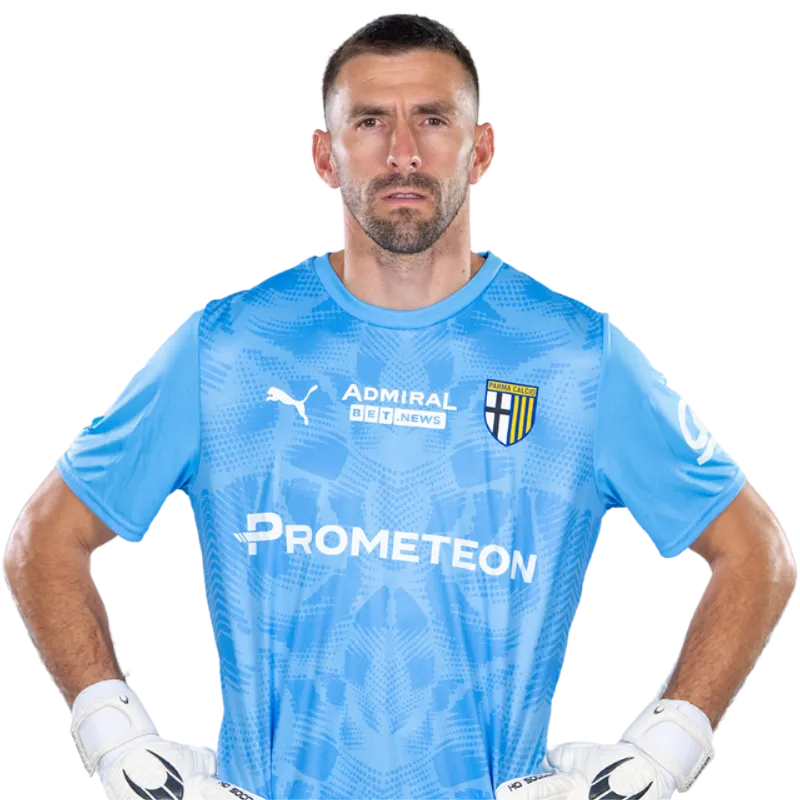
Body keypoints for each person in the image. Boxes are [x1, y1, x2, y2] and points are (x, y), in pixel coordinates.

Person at [5, 12, 796, 800]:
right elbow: (44, 537)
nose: (403, 153)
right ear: (324, 155)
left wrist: (667, 749)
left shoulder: (573, 355)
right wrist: (114, 736)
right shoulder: (232, 346)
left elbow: (756, 551)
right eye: (371, 122)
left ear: (482, 150)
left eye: (433, 119)